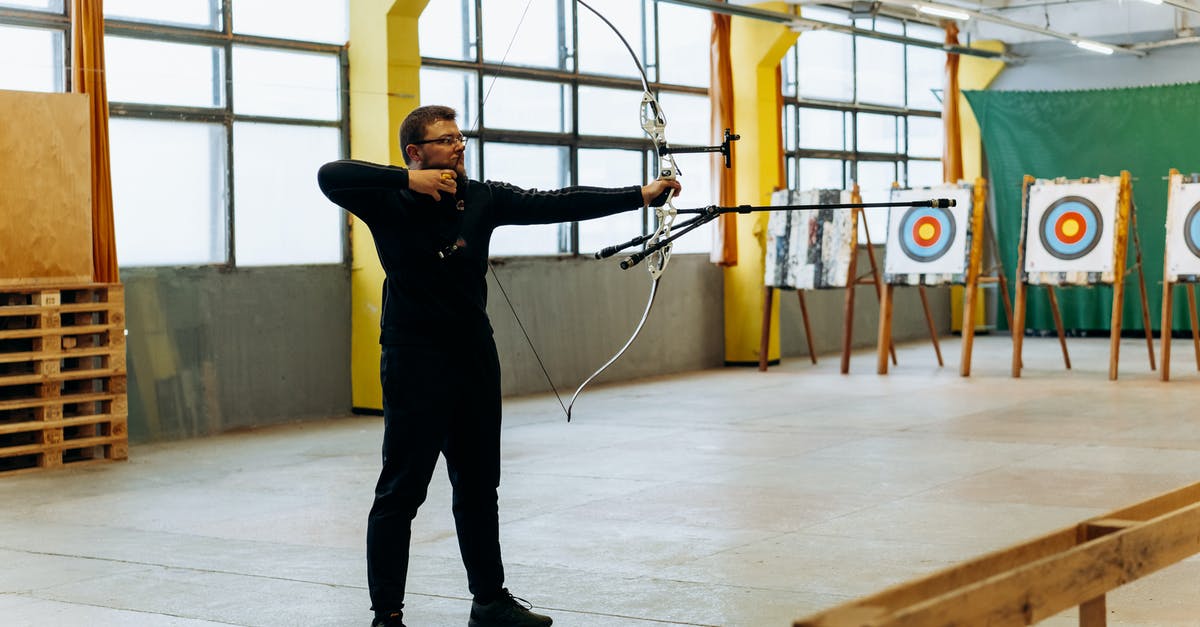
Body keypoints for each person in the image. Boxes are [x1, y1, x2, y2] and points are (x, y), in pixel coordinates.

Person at [317, 105, 681, 627]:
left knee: (478, 483)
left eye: (460, 138)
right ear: (417, 153)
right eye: (445, 141)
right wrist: (409, 181)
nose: (459, 147)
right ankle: (387, 615)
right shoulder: (387, 199)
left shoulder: (480, 197)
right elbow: (331, 174)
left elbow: (560, 202)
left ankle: (489, 601)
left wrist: (639, 196)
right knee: (401, 489)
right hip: (414, 360)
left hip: (473, 358)